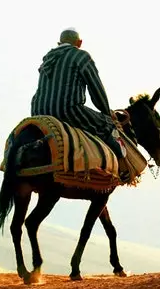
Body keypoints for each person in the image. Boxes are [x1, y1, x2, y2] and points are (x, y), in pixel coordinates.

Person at [30, 28, 131, 182]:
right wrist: (106, 112)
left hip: (38, 112)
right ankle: (123, 168)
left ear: (60, 42)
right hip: (68, 110)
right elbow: (96, 90)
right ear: (79, 43)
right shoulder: (81, 56)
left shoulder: (47, 58)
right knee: (106, 125)